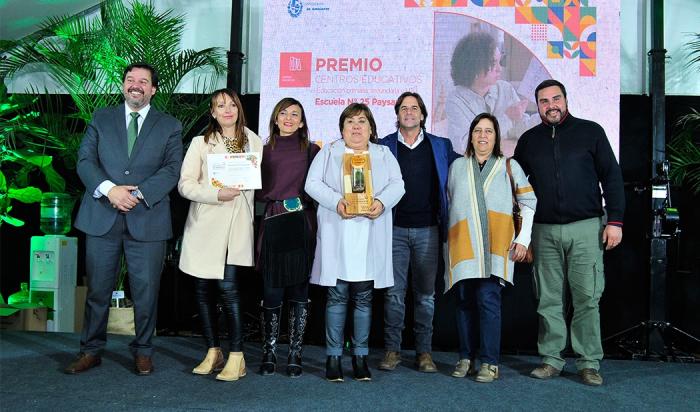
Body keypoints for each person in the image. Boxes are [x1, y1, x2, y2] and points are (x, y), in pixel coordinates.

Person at [66, 62, 183, 375]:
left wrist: (138, 194)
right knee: (98, 291)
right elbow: (85, 161)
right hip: (101, 216)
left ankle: (143, 351)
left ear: (153, 89)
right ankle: (91, 350)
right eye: (130, 79)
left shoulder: (169, 124)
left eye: (143, 81)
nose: (136, 85)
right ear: (122, 85)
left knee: (146, 292)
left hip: (147, 218)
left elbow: (172, 169)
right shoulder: (100, 118)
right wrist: (110, 191)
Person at [513, 79, 624, 386]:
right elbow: (516, 191)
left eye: (556, 99)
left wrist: (615, 221)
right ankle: (551, 359)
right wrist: (523, 237)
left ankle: (588, 362)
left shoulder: (591, 132)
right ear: (537, 106)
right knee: (548, 299)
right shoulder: (528, 141)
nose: (551, 105)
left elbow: (612, 178)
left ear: (565, 100)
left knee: (587, 297)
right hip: (543, 231)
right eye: (544, 101)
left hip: (586, 228)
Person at [305, 103, 405, 382]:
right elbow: (312, 184)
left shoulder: (382, 154)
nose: (356, 127)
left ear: (371, 128)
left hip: (369, 233)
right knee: (336, 297)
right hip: (340, 232)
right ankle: (333, 357)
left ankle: (360, 358)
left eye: (362, 121)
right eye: (350, 122)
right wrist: (335, 201)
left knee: (363, 298)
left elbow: (398, 184)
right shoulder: (329, 152)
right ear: (342, 128)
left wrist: (382, 202)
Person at [177, 88, 263, 382]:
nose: (227, 110)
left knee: (229, 289)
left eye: (232, 105)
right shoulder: (201, 142)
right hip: (205, 225)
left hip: (237, 226)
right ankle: (213, 350)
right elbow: (185, 185)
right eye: (220, 106)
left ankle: (237, 356)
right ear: (212, 112)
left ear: (239, 108)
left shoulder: (254, 141)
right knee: (203, 290)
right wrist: (216, 194)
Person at [445, 112, 537, 383]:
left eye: (489, 131)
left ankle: (490, 362)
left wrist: (523, 239)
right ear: (470, 135)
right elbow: (451, 202)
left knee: (488, 301)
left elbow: (529, 202)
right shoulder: (457, 166)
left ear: (496, 137)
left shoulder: (510, 166)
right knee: (463, 304)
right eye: (478, 130)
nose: (483, 136)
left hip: (496, 247)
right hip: (463, 247)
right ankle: (466, 357)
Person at [377, 92, 460, 373]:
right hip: (393, 230)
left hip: (429, 230)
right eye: (403, 108)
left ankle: (424, 352)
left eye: (414, 108)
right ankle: (392, 350)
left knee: (426, 296)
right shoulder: (383, 146)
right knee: (393, 295)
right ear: (397, 114)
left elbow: (465, 169)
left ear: (423, 114)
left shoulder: (441, 146)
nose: (409, 112)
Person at [255, 98, 320, 377]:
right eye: (284, 113)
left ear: (303, 121)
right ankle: (269, 351)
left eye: (295, 114)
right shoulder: (262, 151)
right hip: (272, 221)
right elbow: (255, 190)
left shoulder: (313, 151)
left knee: (299, 291)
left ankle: (295, 352)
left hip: (301, 221)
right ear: (275, 118)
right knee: (271, 290)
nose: (289, 118)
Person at [446, 31, 538, 154]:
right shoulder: (455, 101)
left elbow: (518, 127)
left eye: (500, 61)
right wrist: (507, 118)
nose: (500, 69)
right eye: (493, 63)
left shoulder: (505, 89)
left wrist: (544, 119)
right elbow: (463, 146)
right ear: (473, 65)